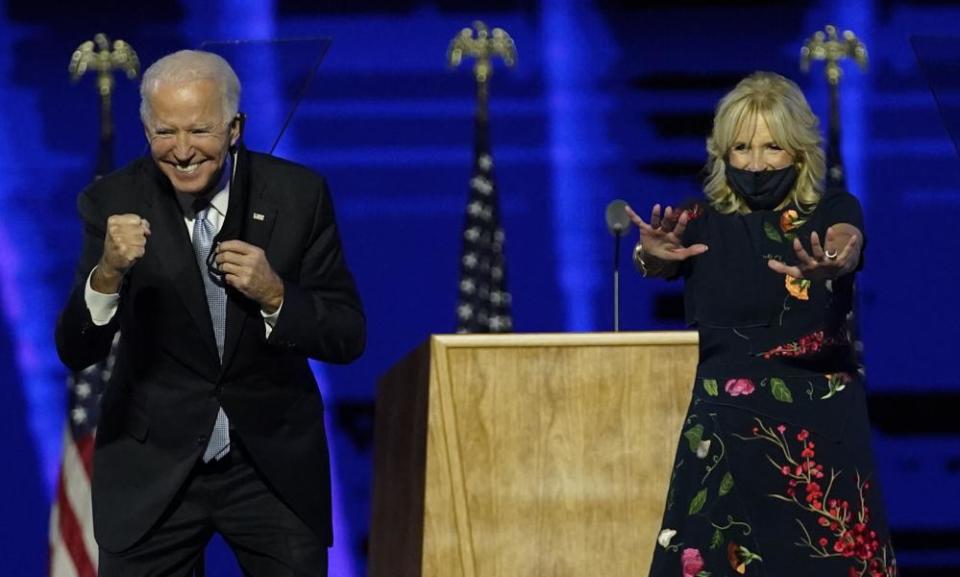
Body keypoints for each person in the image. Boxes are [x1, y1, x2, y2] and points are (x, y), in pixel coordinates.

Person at [55, 49, 364, 576]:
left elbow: (346, 334)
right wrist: (107, 273)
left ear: (235, 128)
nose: (181, 152)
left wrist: (274, 294)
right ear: (145, 129)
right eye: (164, 132)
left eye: (199, 131)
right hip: (152, 465)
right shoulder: (112, 201)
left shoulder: (297, 196)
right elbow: (76, 349)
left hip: (270, 462)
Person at [626, 72, 896, 577]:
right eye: (742, 148)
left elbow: (845, 241)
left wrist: (834, 259)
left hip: (818, 435)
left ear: (798, 152)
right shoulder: (697, 222)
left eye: (772, 147)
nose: (755, 163)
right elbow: (660, 259)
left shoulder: (832, 210)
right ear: (722, 154)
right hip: (726, 435)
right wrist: (649, 255)